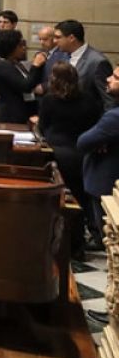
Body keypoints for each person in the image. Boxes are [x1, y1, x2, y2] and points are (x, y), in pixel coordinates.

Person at [39, 61, 104, 256]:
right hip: (82, 154)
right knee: (79, 201)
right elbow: (96, 125)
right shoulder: (89, 100)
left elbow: (43, 126)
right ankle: (77, 244)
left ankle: (57, 242)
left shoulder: (49, 100)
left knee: (59, 200)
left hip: (57, 153)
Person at [79, 66, 119, 251]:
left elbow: (83, 141)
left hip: (106, 180)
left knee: (111, 243)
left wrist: (100, 141)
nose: (109, 79)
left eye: (116, 77)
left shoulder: (114, 117)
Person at [56, 19, 114, 109]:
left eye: (58, 37)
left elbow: (108, 100)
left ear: (71, 38)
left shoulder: (97, 62)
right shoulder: (62, 56)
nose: (55, 41)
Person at [0, 29, 47, 124]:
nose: (24, 48)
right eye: (20, 45)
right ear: (11, 47)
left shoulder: (17, 64)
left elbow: (31, 80)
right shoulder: (2, 65)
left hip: (24, 114)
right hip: (11, 116)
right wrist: (35, 66)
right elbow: (25, 86)